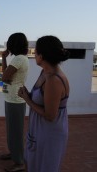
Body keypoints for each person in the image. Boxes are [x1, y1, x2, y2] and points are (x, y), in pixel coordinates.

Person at [18, 35, 70, 172]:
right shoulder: (44, 73)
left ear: (41, 56)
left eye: (35, 52)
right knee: (32, 163)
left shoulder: (54, 80)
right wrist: (28, 94)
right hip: (39, 129)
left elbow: (50, 115)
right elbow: (41, 98)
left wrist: (27, 100)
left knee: (45, 167)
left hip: (49, 133)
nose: (34, 55)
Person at [0, 32, 29, 172]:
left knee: (16, 132)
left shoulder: (19, 59)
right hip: (10, 98)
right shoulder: (19, 58)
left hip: (16, 100)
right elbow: (5, 75)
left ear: (13, 44)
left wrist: (5, 77)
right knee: (11, 130)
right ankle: (13, 153)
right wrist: (3, 58)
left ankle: (19, 162)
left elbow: (4, 77)